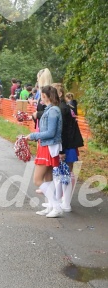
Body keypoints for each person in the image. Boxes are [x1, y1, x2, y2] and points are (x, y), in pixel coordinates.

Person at [25, 85, 63, 218]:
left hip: (48, 146)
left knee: (37, 180)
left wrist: (33, 136)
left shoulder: (53, 111)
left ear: (45, 96)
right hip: (46, 146)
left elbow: (51, 132)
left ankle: (56, 206)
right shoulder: (52, 110)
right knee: (47, 178)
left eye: (41, 95)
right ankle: (52, 206)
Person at [52, 84, 84, 212]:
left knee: (65, 173)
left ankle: (65, 203)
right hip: (68, 144)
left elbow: (64, 131)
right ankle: (60, 201)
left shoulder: (62, 109)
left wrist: (62, 150)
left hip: (67, 145)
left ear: (59, 94)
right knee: (62, 173)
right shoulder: (62, 107)